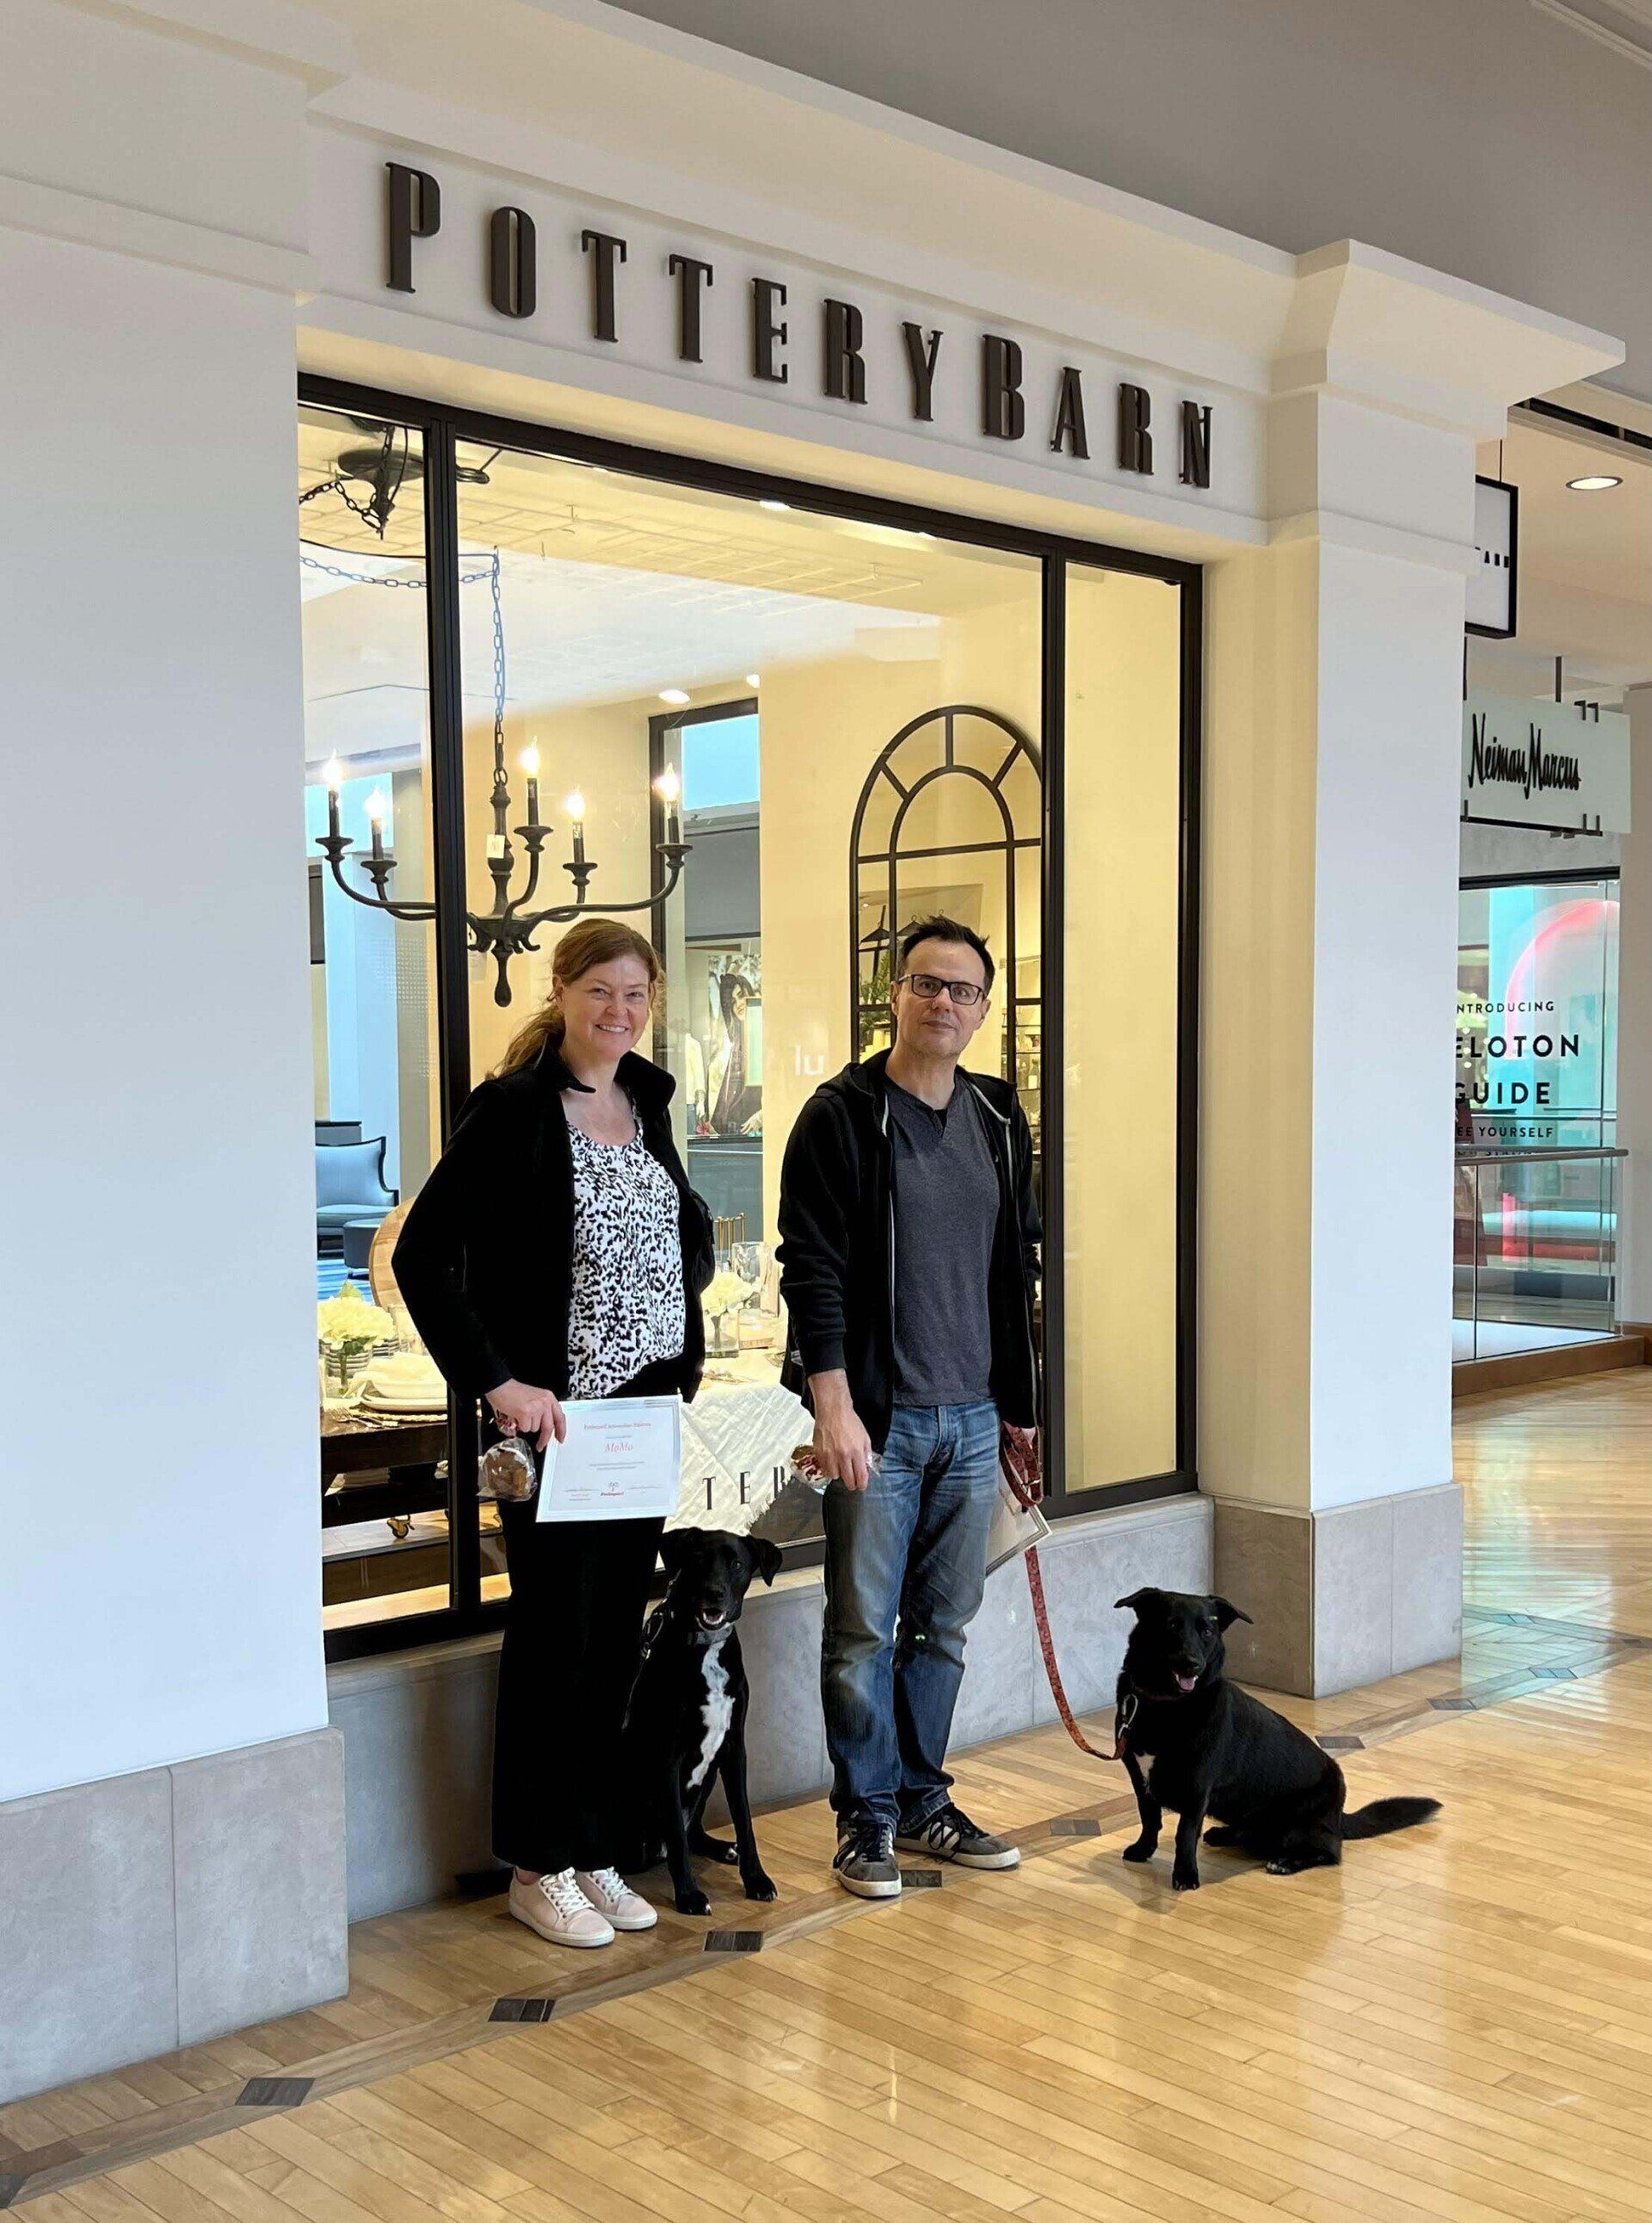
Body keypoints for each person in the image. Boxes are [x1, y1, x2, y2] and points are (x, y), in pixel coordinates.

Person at [394, 918, 712, 1949]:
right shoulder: (519, 1110)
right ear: (564, 991)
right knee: (554, 1646)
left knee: (615, 1642)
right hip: (561, 1427)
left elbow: (678, 1230)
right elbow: (427, 1259)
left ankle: (591, 1845)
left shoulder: (648, 1102)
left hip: (640, 1419)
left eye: (636, 996)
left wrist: (680, 1301)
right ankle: (536, 1863)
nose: (619, 1013)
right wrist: (498, 1382)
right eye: (601, 993)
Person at [777, 915, 1040, 1898]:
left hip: (974, 1421)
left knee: (944, 1628)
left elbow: (1017, 1271)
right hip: (879, 1426)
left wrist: (1022, 1407)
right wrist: (833, 1409)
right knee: (860, 1629)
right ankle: (867, 1820)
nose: (944, 1003)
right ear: (894, 993)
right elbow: (813, 1272)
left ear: (981, 1008)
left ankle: (926, 1801)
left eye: (963, 991)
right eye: (927, 985)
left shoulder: (1001, 1120)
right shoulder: (842, 1116)